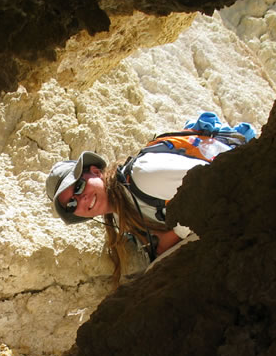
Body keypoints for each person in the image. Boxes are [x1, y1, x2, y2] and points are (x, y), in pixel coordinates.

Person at [46, 112, 255, 281]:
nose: (80, 199)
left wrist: (174, 235)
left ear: (94, 171)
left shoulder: (143, 176)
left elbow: (218, 179)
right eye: (71, 203)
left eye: (79, 186)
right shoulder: (121, 216)